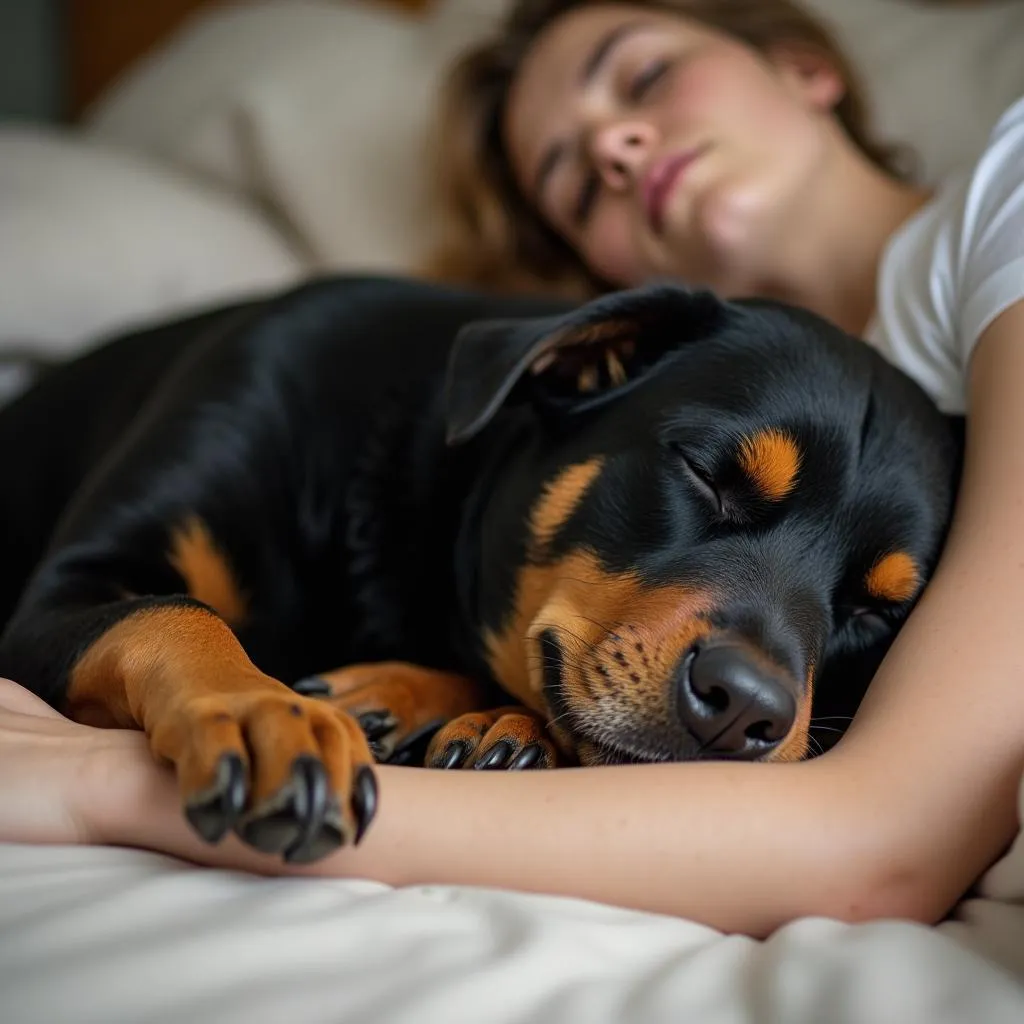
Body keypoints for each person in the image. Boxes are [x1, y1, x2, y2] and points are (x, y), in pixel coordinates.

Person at [2, 0, 1023, 939]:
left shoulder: (993, 225)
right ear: (589, 344)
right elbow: (75, 607)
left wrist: (110, 788)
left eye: (645, 76)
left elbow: (873, 839)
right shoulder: (337, 381)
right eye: (574, 184)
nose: (617, 145)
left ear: (804, 66)